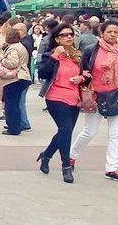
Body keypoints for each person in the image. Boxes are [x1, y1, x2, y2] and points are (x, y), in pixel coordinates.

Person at [69, 20, 118, 182]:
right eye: (109, 32)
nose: (113, 35)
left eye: (115, 32)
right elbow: (83, 72)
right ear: (101, 33)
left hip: (117, 96)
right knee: (89, 131)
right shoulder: (91, 51)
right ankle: (71, 157)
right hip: (96, 96)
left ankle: (111, 168)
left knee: (115, 135)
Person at [36, 23, 87, 183]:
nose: (69, 37)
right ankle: (66, 166)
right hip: (56, 97)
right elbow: (43, 73)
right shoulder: (50, 54)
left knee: (65, 132)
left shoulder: (77, 56)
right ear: (57, 39)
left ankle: (46, 155)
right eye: (64, 35)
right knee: (65, 129)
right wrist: (54, 56)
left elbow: (85, 74)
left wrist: (83, 78)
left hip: (74, 98)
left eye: (71, 34)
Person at [0, 25, 30, 135]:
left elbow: (12, 63)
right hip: (23, 77)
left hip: (15, 78)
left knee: (11, 104)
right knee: (16, 103)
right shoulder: (20, 46)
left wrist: (2, 58)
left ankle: (13, 127)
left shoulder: (13, 48)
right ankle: (16, 124)